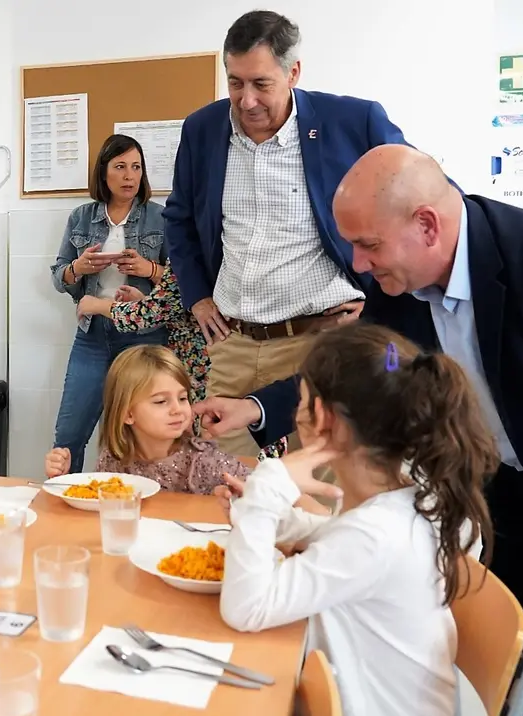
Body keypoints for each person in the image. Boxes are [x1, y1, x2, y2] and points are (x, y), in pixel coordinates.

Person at [201, 144, 523, 716]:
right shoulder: (401, 293)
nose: (359, 265)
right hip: (516, 483)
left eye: (368, 245)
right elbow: (362, 374)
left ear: (426, 225)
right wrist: (257, 406)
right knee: (522, 655)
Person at [164, 10, 423, 456]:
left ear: (293, 73)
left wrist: (375, 300)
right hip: (234, 342)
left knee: (321, 485)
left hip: (318, 340)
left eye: (261, 84)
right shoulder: (203, 129)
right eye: (235, 82)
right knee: (218, 481)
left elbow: (416, 194)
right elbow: (179, 218)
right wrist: (197, 296)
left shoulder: (352, 122)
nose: (246, 101)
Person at [216, 323, 496, 716]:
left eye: (302, 399)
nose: (295, 413)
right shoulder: (411, 499)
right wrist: (271, 521)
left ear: (324, 417)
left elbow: (246, 609)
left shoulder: (376, 533)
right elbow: (343, 541)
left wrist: (269, 486)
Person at [76, 262, 288, 459]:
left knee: (214, 443)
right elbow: (175, 304)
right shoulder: (200, 247)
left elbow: (151, 312)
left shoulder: (193, 251)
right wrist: (147, 299)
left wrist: (98, 305)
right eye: (161, 402)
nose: (175, 409)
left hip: (208, 364)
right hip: (208, 360)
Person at [50, 134, 168, 473]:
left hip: (145, 336)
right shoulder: (82, 218)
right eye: (120, 167)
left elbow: (181, 284)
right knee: (69, 434)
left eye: (136, 167)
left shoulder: (160, 218)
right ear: (104, 173)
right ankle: (64, 510)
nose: (130, 176)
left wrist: (149, 269)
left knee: (144, 435)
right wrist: (79, 268)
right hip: (92, 336)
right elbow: (59, 276)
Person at [44, 346, 258, 495]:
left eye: (183, 398)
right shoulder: (114, 460)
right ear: (128, 414)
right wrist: (61, 480)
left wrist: (236, 498)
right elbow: (98, 507)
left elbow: (261, 491)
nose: (178, 409)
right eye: (161, 401)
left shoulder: (205, 461)